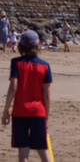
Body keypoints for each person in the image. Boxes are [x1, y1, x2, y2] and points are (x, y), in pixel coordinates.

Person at [1, 30, 53, 162]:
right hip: (38, 112)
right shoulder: (45, 66)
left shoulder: (16, 63)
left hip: (20, 111)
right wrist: (46, 116)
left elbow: (13, 87)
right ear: (37, 45)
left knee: (23, 152)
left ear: (21, 46)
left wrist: (6, 110)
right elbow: (47, 95)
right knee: (43, 149)